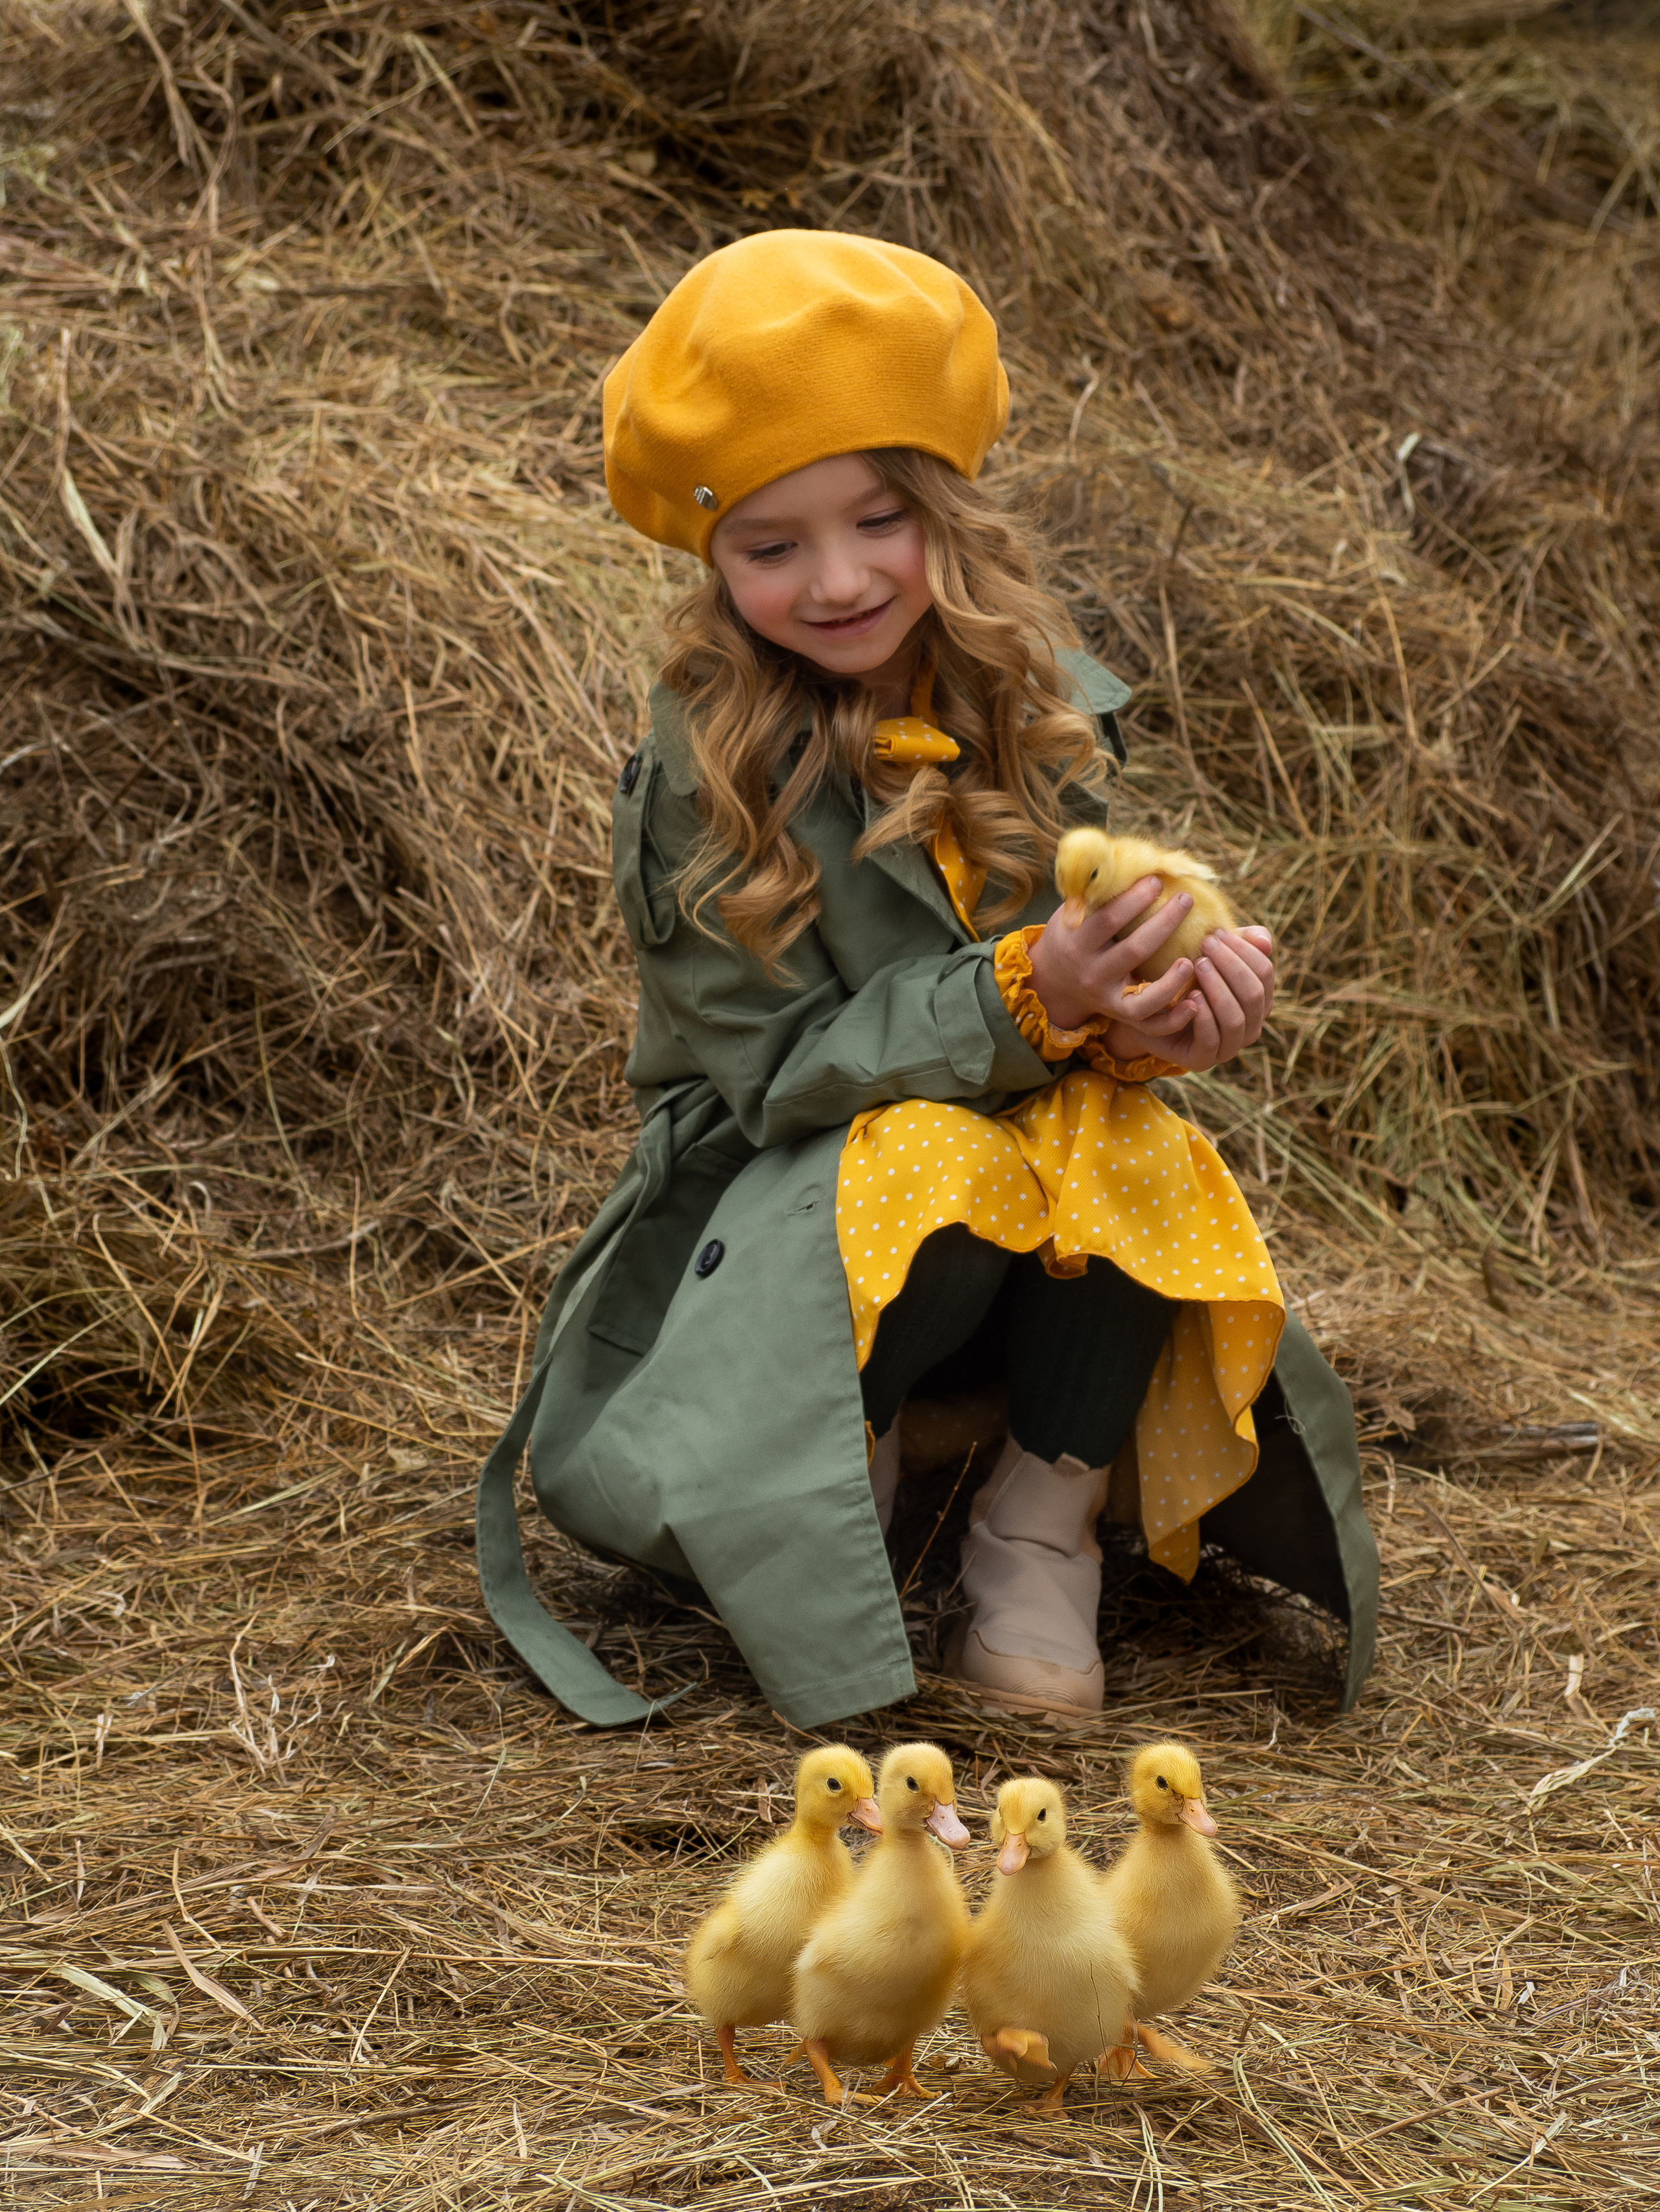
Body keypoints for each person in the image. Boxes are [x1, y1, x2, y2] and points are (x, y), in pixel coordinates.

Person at [476, 230, 1378, 1730]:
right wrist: (1032, 993)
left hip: (993, 1196)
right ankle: (842, 1477)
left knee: (1138, 1146)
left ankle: (1036, 1530)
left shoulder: (1031, 696)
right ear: (710, 558)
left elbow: (1071, 991)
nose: (836, 580)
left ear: (942, 509)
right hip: (779, 1205)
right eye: (771, 546)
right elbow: (776, 1075)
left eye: (876, 519)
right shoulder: (703, 770)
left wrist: (1147, 1016)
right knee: (932, 1155)